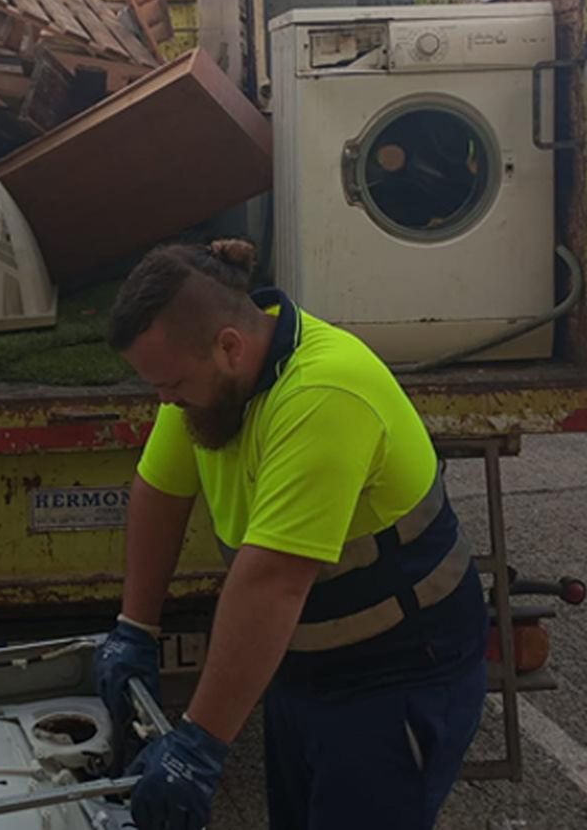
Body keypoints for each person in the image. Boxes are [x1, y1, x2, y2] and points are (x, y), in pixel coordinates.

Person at [95, 239, 488, 830]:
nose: (163, 401)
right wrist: (135, 629)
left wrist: (198, 744)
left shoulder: (321, 395)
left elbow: (272, 582)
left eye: (170, 383)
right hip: (306, 666)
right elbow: (160, 493)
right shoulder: (206, 391)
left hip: (398, 674)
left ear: (229, 346)